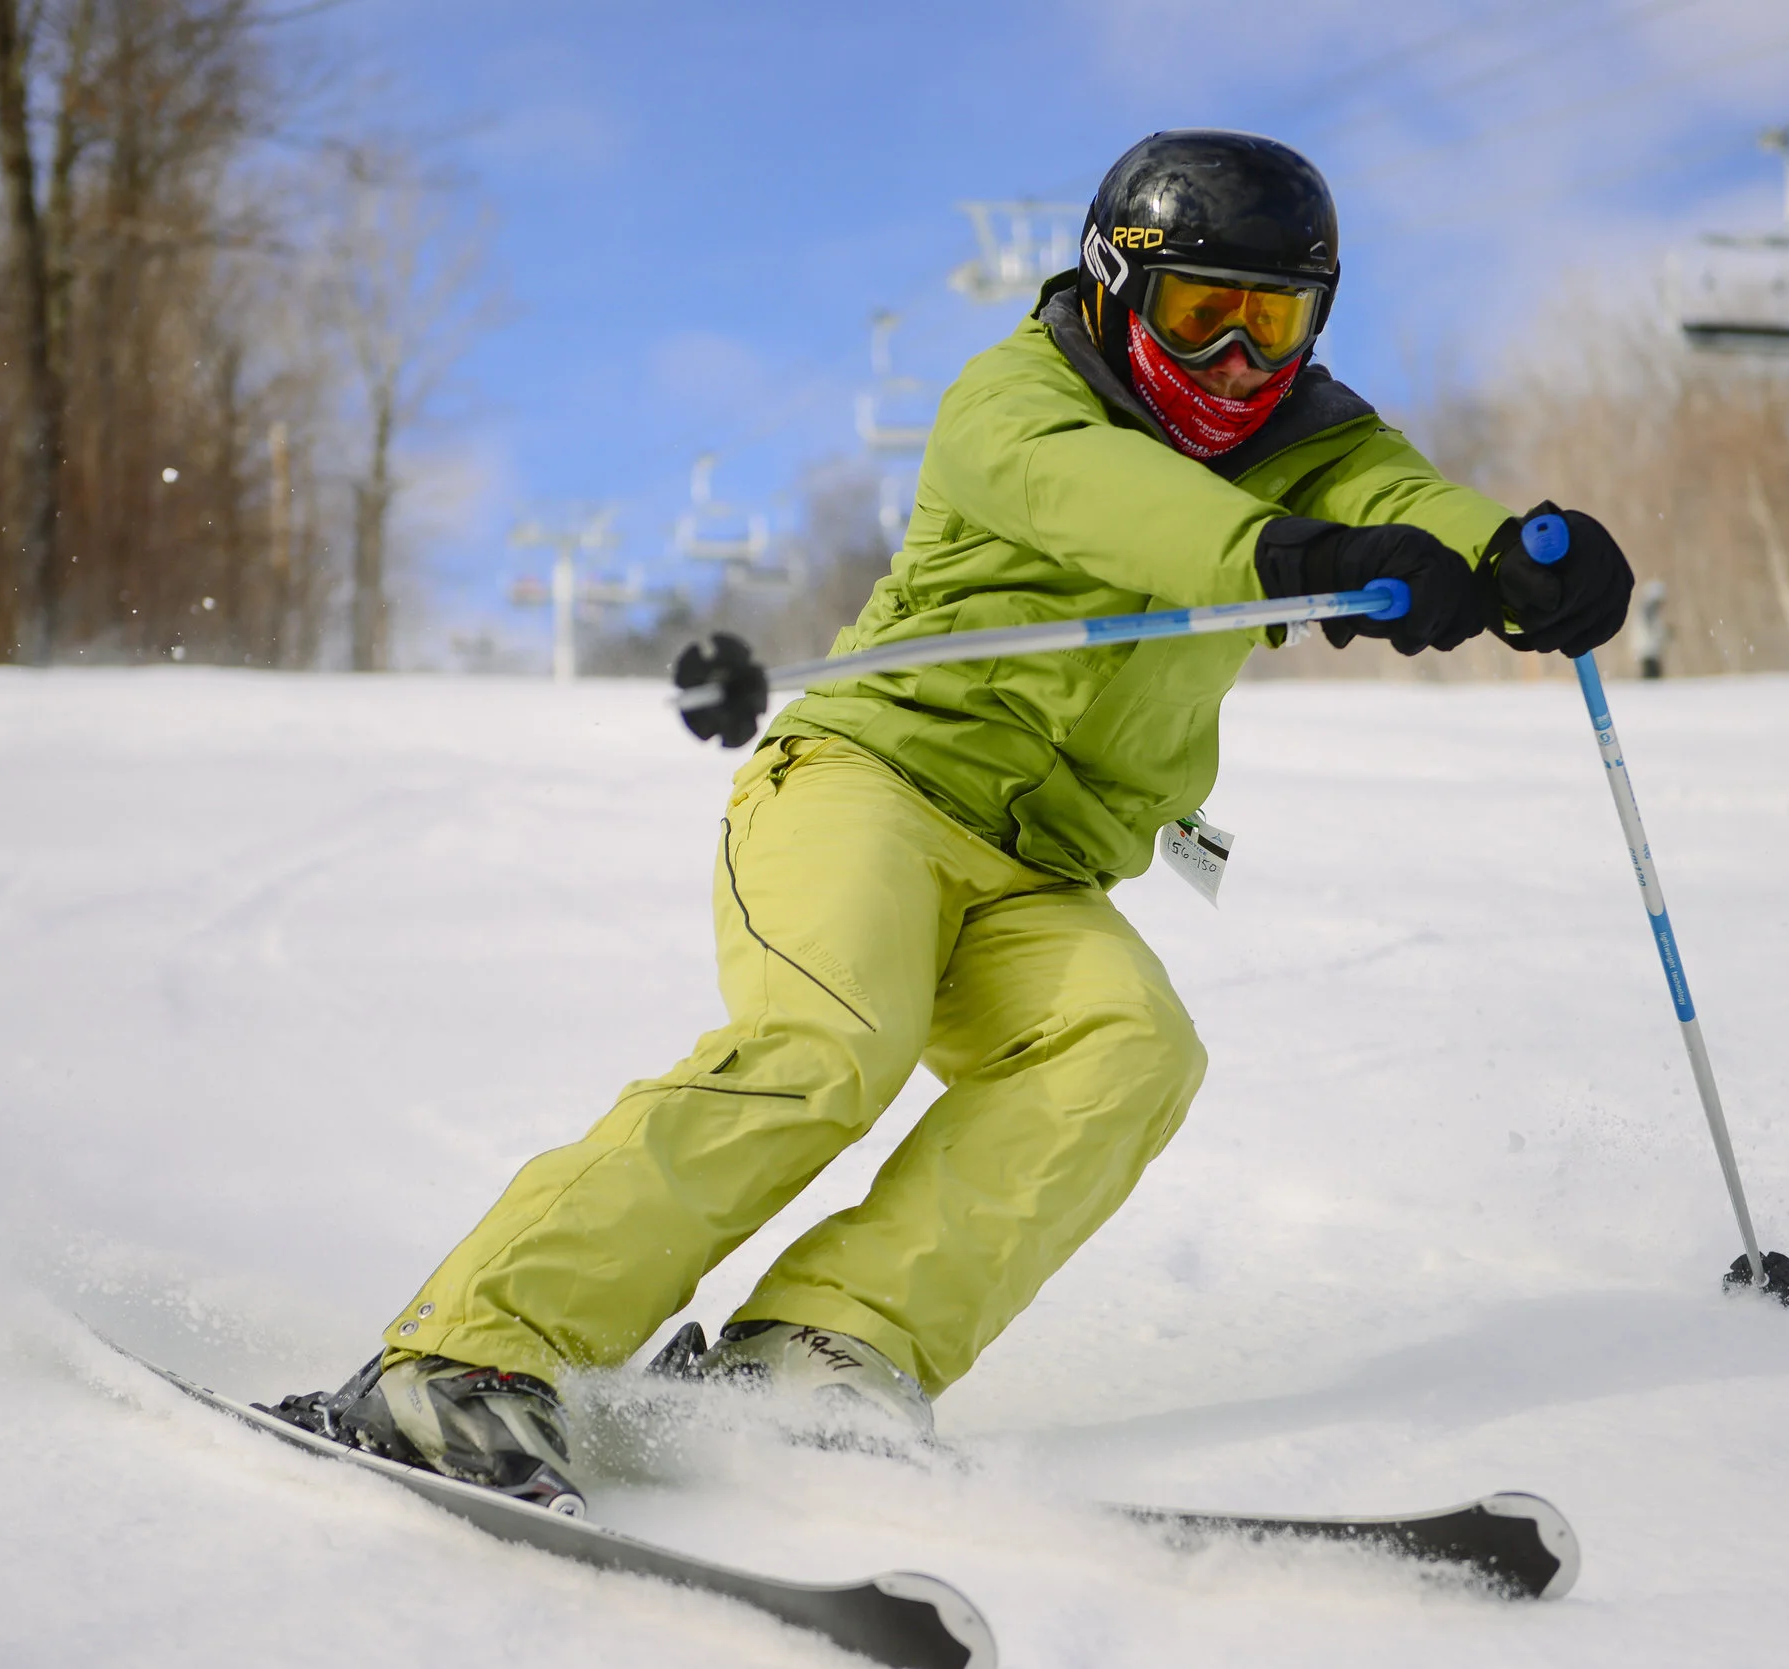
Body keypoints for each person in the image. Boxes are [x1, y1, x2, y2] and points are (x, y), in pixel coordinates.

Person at [267, 130, 1635, 1514]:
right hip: (866, 788)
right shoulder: (1017, 397)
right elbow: (1120, 506)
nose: (1235, 364)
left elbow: (1402, 504)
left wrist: (1520, 561)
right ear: (1114, 286)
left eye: (1270, 321)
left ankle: (820, 1348)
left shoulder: (1310, 438)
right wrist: (1297, 561)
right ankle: (460, 1356)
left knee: (1129, 1046)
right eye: (1199, 314)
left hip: (1041, 870)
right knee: (829, 1043)